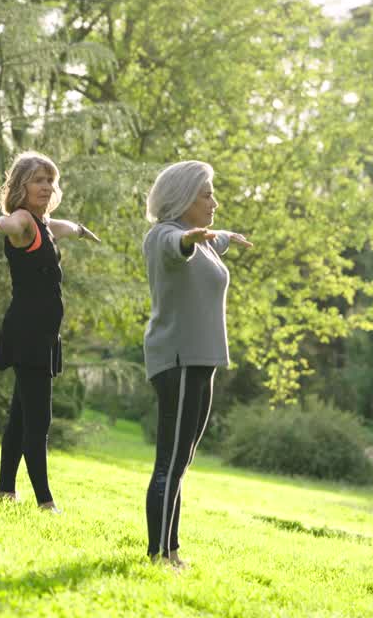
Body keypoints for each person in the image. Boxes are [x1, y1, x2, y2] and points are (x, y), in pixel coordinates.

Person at [0, 152, 100, 511]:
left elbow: (65, 227)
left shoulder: (45, 225)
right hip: (28, 331)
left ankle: (5, 490)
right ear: (22, 185)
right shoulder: (23, 220)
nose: (46, 186)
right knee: (39, 419)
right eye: (39, 180)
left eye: (50, 181)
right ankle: (45, 501)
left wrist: (83, 231)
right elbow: (9, 223)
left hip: (42, 333)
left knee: (21, 415)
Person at [141, 160, 252, 567]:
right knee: (170, 462)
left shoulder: (204, 241)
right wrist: (191, 238)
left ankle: (171, 550)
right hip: (180, 359)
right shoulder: (164, 237)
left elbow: (209, 241)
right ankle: (158, 555)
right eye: (207, 194)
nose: (214, 202)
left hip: (199, 361)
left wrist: (224, 236)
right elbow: (178, 246)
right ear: (183, 198)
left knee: (182, 460)